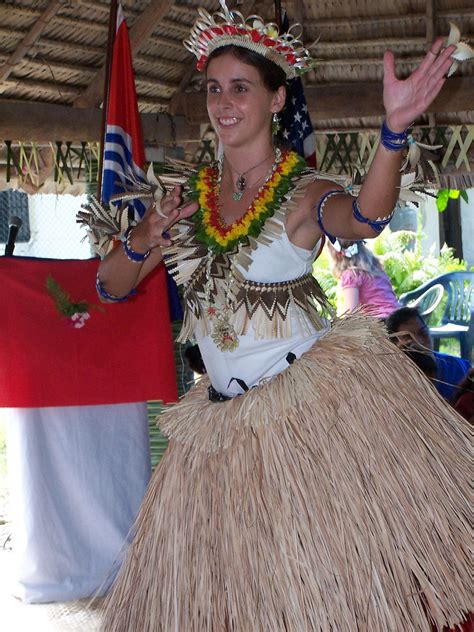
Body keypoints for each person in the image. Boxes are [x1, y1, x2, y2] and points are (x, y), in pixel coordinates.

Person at [95, 5, 470, 630]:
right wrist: (146, 236)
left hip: (303, 417)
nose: (224, 102)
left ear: (275, 99)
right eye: (214, 89)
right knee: (234, 604)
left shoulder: (302, 193)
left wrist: (394, 131)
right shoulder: (186, 200)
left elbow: (366, 217)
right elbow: (109, 287)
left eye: (241, 87)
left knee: (322, 598)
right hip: (217, 432)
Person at [386, 306, 471, 401]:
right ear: (395, 346)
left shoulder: (459, 368)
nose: (420, 342)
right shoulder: (391, 382)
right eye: (408, 339)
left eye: (423, 333)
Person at [327, 238, 400, 317]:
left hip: (379, 322)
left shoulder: (352, 275)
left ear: (337, 255)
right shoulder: (375, 268)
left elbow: (351, 312)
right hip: (396, 317)